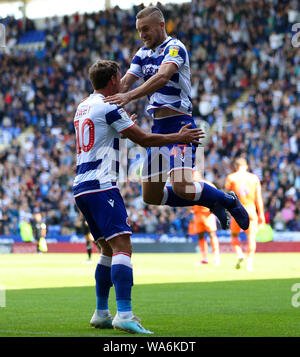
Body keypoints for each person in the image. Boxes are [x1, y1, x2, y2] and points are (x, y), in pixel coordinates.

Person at [73, 59, 203, 334]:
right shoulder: (108, 106)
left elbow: (106, 144)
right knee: (123, 248)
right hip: (101, 186)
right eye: (120, 79)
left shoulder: (83, 106)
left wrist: (123, 131)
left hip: (82, 187)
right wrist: (177, 136)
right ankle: (125, 314)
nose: (123, 84)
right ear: (112, 81)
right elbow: (145, 140)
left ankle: (100, 312)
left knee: (107, 250)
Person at [104, 6, 249, 232]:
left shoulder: (175, 48)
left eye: (146, 29)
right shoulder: (142, 54)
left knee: (182, 187)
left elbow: (162, 77)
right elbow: (124, 84)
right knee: (151, 195)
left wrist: (128, 97)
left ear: (161, 25)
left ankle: (229, 201)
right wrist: (102, 99)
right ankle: (212, 201)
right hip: (158, 128)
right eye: (139, 31)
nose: (142, 35)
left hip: (180, 124)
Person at [225, 158, 265, 272]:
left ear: (236, 167)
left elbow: (227, 196)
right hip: (251, 211)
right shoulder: (254, 178)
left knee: (234, 236)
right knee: (251, 237)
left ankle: (239, 254)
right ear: (246, 166)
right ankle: (250, 262)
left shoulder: (231, 178)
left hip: (237, 211)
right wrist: (261, 214)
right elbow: (258, 198)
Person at [189, 173, 220, 266]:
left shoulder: (208, 185)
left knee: (212, 234)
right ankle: (204, 258)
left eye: (193, 175)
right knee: (200, 236)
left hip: (207, 214)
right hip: (197, 214)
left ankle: (216, 257)